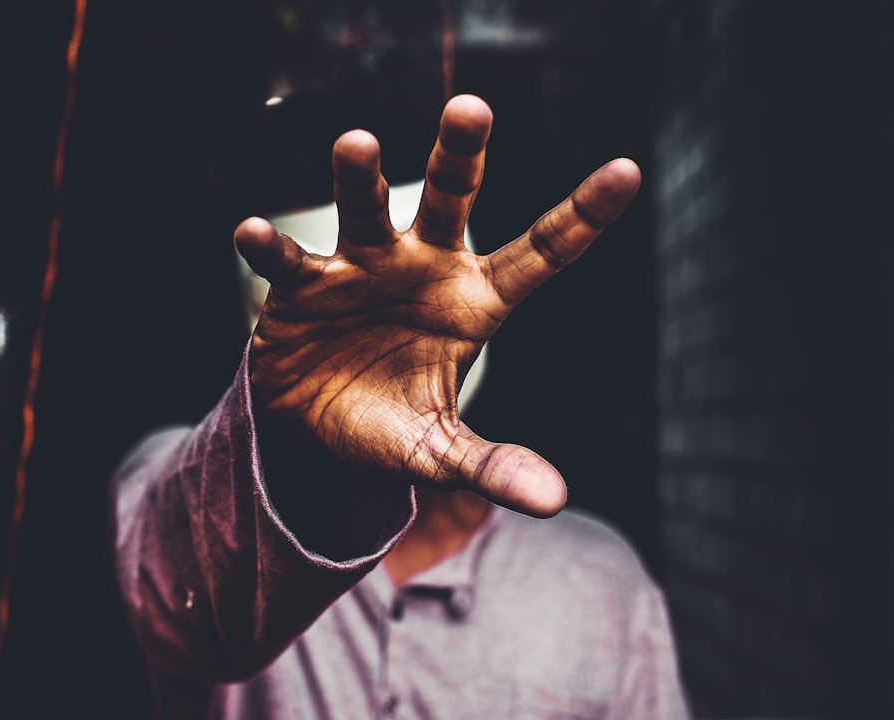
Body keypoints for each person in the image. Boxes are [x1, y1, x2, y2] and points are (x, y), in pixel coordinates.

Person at [110, 94, 690, 719]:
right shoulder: (196, 513)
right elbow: (175, 585)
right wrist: (291, 452)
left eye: (408, 296)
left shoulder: (602, 584)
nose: (370, 340)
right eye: (325, 305)